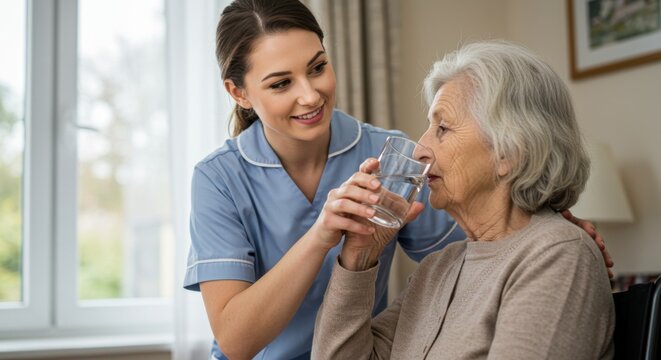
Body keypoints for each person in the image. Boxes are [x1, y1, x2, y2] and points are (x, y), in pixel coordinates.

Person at [183, 1, 612, 358]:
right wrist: (329, 240)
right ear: (239, 93)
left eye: (317, 68)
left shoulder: (386, 154)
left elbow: (491, 237)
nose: (311, 95)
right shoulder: (218, 177)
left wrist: (551, 223)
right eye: (281, 83)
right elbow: (235, 341)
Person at [312, 40, 615, 359]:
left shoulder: (556, 256)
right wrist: (361, 253)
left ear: (509, 152)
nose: (419, 150)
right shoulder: (437, 268)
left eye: (443, 128)